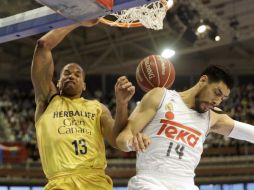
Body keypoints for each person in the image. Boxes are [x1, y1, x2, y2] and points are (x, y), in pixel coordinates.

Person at [31, 20, 135, 190]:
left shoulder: (98, 108)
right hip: (60, 182)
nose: (72, 76)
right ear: (58, 83)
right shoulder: (47, 100)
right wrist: (78, 21)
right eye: (66, 73)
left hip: (96, 182)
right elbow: (43, 45)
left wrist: (122, 103)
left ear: (84, 85)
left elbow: (116, 140)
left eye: (78, 74)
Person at [116, 65, 254, 190]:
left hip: (186, 185)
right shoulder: (161, 96)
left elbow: (250, 132)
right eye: (217, 93)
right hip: (150, 183)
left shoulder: (213, 117)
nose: (217, 101)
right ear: (203, 81)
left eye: (223, 98)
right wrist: (131, 142)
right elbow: (122, 138)